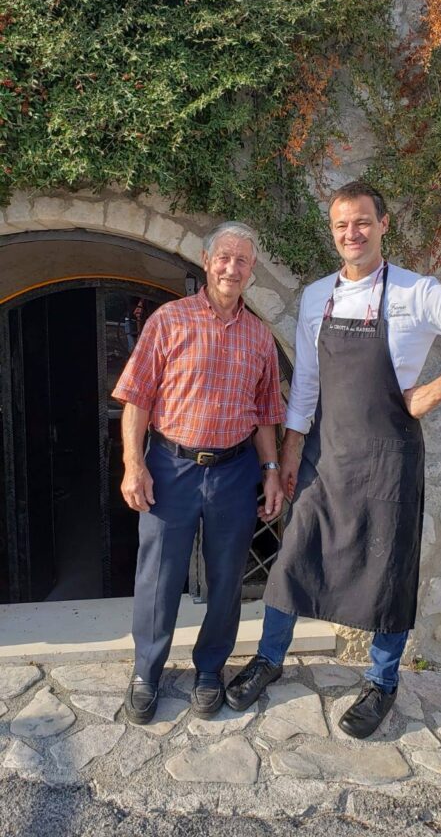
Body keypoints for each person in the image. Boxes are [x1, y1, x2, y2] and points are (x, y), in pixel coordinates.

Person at [226, 181, 441, 738]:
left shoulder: (416, 293)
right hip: (327, 450)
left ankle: (382, 680)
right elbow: (306, 380)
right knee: (294, 556)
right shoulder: (316, 296)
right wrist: (292, 448)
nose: (352, 234)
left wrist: (429, 394)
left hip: (390, 456)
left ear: (383, 225)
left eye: (362, 223)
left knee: (389, 568)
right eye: (341, 226)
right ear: (333, 232)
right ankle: (270, 658)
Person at [112, 222, 285, 725]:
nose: (233, 268)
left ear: (251, 272)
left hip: (234, 471)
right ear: (208, 260)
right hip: (170, 466)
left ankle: (210, 669)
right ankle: (147, 671)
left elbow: (266, 414)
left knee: (227, 578)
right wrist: (133, 463)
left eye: (243, 261)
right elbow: (135, 399)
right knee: (158, 577)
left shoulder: (259, 336)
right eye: (225, 258)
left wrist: (271, 471)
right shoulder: (168, 321)